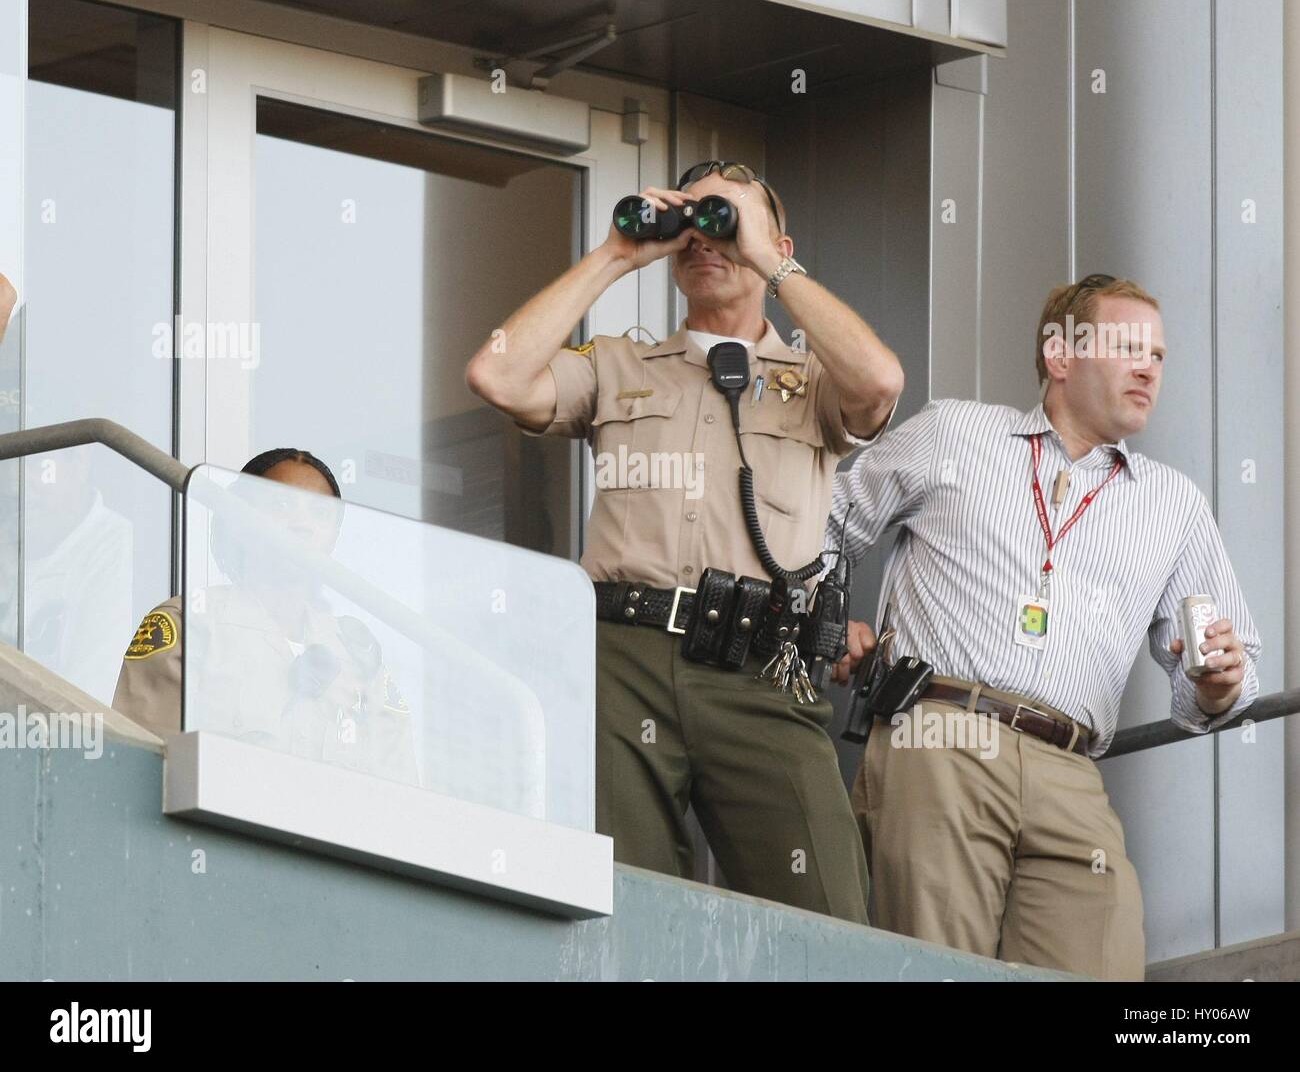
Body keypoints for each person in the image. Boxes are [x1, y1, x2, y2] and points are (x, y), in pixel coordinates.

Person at [467, 160, 902, 921]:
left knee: (827, 915)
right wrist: (614, 255)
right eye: (693, 224)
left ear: (776, 240)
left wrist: (767, 257)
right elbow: (497, 374)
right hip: (621, 659)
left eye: (727, 221)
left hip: (759, 662)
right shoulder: (617, 363)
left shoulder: (812, 377)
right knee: (623, 908)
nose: (708, 238)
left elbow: (881, 382)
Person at [830, 274, 1261, 978]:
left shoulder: (1173, 503)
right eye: (1128, 346)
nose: (1149, 366)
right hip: (942, 736)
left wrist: (1219, 683)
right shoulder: (955, 431)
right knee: (942, 969)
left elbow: (1216, 688)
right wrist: (829, 620)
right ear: (1059, 355)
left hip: (1072, 768)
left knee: (1104, 958)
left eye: (1159, 354)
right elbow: (821, 519)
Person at [112, 448, 419, 786]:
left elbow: (404, 797)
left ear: (333, 538)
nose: (302, 525)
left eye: (320, 513)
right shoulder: (191, 624)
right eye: (281, 505)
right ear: (240, 521)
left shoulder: (358, 656)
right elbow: (136, 771)